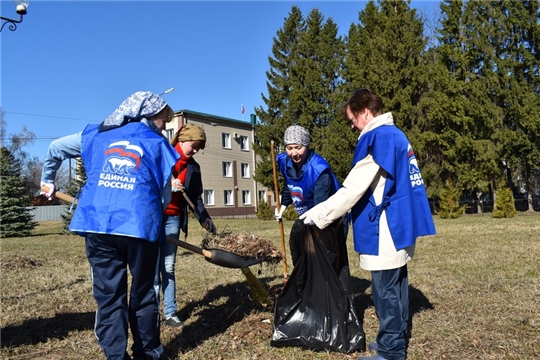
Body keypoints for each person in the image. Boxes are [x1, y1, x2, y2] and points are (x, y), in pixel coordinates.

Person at [40, 91, 179, 360]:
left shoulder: (95, 133)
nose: (164, 127)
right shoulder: (158, 144)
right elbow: (164, 197)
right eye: (163, 121)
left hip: (98, 224)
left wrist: (48, 180)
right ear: (147, 116)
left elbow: (55, 148)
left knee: (109, 294)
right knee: (144, 291)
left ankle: (116, 356)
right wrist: (156, 217)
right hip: (140, 227)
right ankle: (148, 352)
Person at [300, 88, 436, 360]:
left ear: (365, 111)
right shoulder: (396, 135)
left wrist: (319, 214)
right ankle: (396, 336)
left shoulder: (380, 138)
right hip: (401, 224)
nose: (352, 126)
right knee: (397, 285)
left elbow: (353, 189)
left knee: (384, 290)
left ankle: (391, 351)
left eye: (353, 119)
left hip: (386, 227)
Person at [271, 125, 365, 353]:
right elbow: (287, 185)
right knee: (306, 260)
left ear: (307, 145)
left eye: (299, 147)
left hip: (330, 221)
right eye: (290, 147)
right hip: (307, 219)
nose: (294, 152)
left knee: (328, 264)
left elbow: (324, 207)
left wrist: (307, 221)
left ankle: (331, 309)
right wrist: (283, 206)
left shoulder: (319, 169)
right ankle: (310, 302)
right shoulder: (283, 161)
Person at [155, 123, 216, 328]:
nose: (196, 151)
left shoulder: (193, 168)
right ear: (182, 141)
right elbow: (147, 180)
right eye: (194, 145)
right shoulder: (163, 155)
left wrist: (205, 219)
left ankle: (170, 313)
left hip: (173, 218)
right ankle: (151, 312)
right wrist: (168, 183)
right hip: (153, 217)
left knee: (168, 266)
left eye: (199, 147)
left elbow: (195, 198)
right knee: (153, 267)